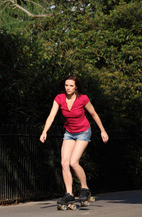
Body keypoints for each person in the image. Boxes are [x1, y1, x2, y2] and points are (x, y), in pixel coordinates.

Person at [40, 75, 109, 205]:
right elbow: (51, 116)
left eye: (71, 85)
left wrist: (103, 130)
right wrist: (44, 132)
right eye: (66, 85)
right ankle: (69, 194)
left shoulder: (83, 99)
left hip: (83, 132)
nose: (68, 88)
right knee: (64, 163)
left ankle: (85, 188)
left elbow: (93, 114)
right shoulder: (59, 98)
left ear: (76, 86)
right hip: (69, 133)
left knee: (73, 162)